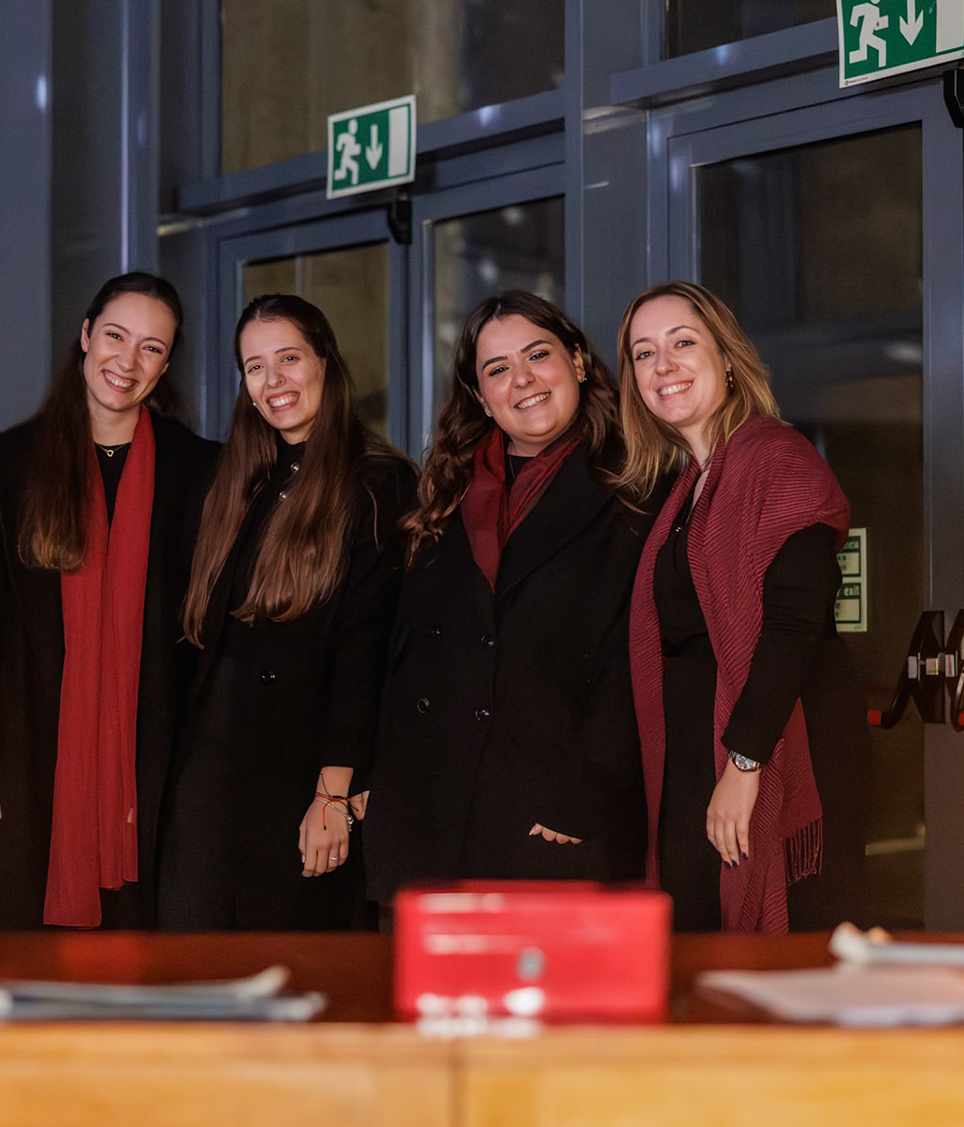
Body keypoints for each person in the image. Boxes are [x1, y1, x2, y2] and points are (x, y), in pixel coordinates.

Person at [0, 272, 219, 929]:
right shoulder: (12, 466)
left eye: (152, 348)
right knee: (18, 948)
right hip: (23, 753)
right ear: (86, 335)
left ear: (165, 366)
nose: (128, 361)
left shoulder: (200, 472)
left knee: (138, 958)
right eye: (116, 336)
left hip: (153, 763)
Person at [363, 292, 651, 902]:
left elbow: (636, 659)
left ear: (577, 362)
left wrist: (589, 788)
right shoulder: (444, 492)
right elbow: (402, 656)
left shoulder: (637, 486)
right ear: (479, 395)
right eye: (498, 369)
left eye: (537, 355)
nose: (522, 380)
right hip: (431, 811)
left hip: (556, 811)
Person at [158, 295, 415, 929]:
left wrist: (333, 792)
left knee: (293, 960)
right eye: (255, 367)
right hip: (208, 776)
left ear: (325, 361)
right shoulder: (233, 480)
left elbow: (366, 650)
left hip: (303, 776)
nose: (273, 381)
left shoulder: (377, 483)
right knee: (194, 961)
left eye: (289, 358)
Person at [617, 281, 867, 933]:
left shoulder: (777, 458)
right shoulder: (685, 486)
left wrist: (745, 764)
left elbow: (794, 625)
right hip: (700, 754)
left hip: (768, 745)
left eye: (682, 343)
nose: (663, 365)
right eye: (644, 353)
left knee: (785, 955)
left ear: (727, 359)